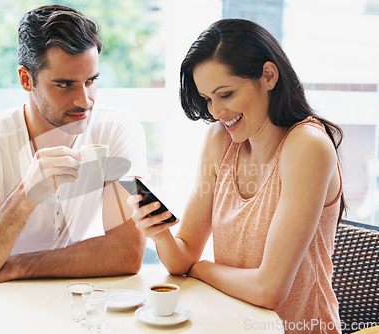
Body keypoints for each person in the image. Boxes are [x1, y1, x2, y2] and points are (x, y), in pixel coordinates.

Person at [129, 19, 344, 333]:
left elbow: (268, 290)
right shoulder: (222, 141)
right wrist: (160, 233)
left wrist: (200, 268)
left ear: (268, 76)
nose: (215, 111)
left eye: (226, 94)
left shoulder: (307, 146)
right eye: (207, 99)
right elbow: (182, 256)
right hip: (236, 325)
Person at [0, 4, 148, 296]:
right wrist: (25, 196)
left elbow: (127, 251)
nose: (84, 100)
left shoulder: (117, 129)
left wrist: (15, 268)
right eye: (64, 84)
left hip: (68, 300)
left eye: (91, 81)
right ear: (26, 79)